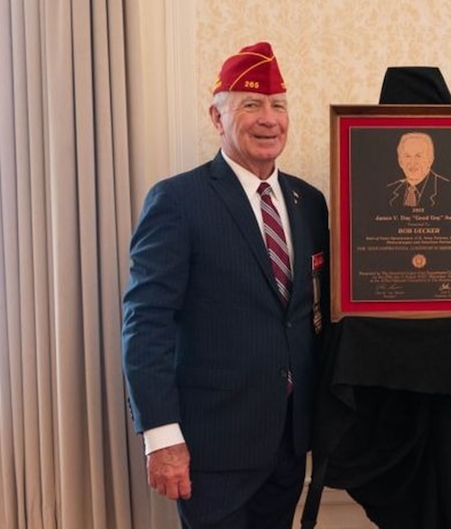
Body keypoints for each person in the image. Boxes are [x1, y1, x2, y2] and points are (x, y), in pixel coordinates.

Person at [122, 41, 330, 528]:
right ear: (217, 118)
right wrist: (161, 436)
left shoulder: (309, 201)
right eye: (251, 105)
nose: (269, 119)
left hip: (289, 440)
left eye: (278, 105)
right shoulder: (178, 200)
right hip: (210, 446)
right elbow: (145, 323)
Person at [387, 131, 449, 208]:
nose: (412, 163)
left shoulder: (447, 189)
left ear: (430, 160)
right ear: (400, 161)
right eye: (407, 156)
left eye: (418, 156)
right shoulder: (389, 191)